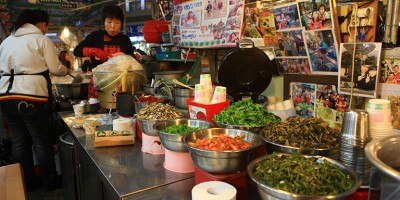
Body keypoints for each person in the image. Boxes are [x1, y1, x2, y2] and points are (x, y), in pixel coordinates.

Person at [0, 9, 70, 192]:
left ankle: (26, 182)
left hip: (6, 96)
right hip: (31, 96)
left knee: (19, 142)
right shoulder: (40, 39)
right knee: (41, 141)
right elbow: (55, 69)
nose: (46, 29)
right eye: (46, 25)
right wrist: (67, 70)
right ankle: (50, 181)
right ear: (40, 23)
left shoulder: (6, 41)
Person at [73, 5, 133, 98]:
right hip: (98, 84)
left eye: (116, 22)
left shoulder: (125, 39)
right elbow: (77, 51)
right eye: (109, 22)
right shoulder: (95, 36)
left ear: (121, 23)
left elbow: (132, 58)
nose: (112, 26)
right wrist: (93, 51)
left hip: (119, 84)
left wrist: (124, 56)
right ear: (104, 22)